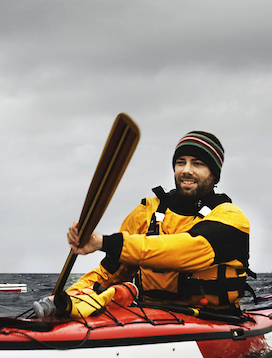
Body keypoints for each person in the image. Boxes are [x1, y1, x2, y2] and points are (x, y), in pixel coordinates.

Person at [64, 130, 252, 313]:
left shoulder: (231, 218)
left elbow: (185, 250)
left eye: (197, 164)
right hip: (149, 315)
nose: (186, 170)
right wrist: (71, 296)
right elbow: (111, 271)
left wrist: (104, 242)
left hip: (215, 318)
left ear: (214, 174)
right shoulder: (146, 212)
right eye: (180, 163)